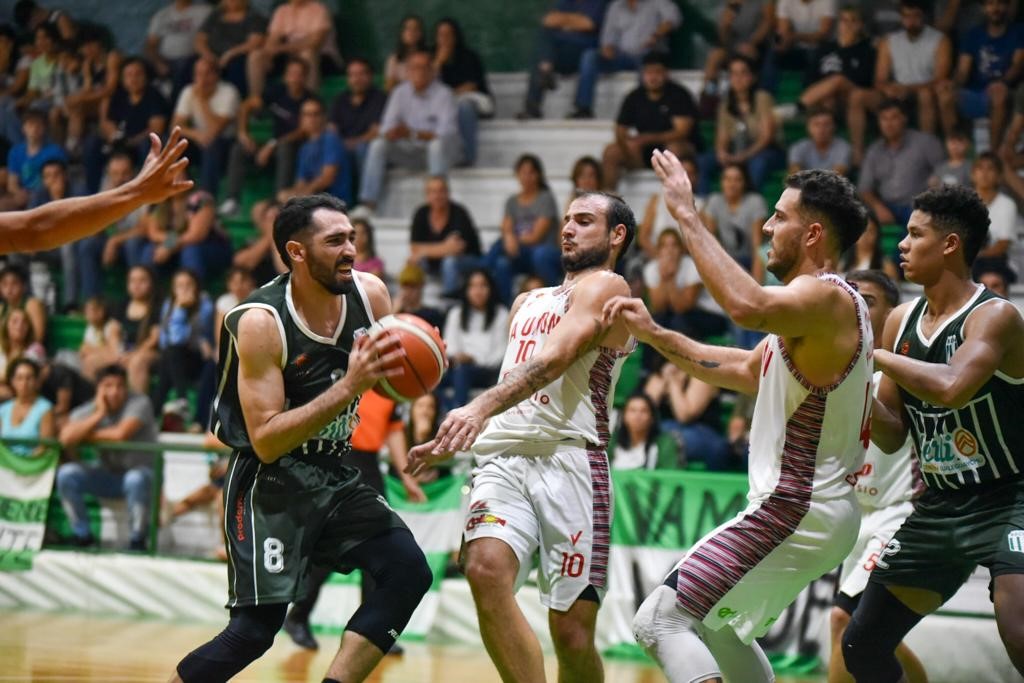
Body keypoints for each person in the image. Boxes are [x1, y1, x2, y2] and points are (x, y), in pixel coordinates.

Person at [604, 154, 871, 683]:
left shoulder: (824, 296)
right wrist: (657, 334)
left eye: (780, 217)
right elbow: (745, 368)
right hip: (816, 511)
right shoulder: (811, 312)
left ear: (813, 233)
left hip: (796, 505)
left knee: (660, 619)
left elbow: (745, 306)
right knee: (722, 629)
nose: (767, 226)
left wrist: (686, 215)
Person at [170, 194, 431, 683]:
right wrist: (350, 387)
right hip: (269, 481)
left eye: (351, 237)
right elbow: (266, 440)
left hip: (333, 469)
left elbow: (388, 381)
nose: (350, 249)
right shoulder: (261, 323)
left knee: (408, 570)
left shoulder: (371, 296)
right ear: (296, 251)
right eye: (335, 241)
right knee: (254, 631)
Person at [405, 188, 637, 683]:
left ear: (617, 235)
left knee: (572, 637)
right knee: (484, 570)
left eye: (585, 221)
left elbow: (555, 358)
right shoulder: (527, 300)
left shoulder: (608, 288)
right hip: (503, 459)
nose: (568, 228)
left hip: (572, 463)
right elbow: (518, 379)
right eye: (567, 220)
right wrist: (462, 431)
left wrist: (477, 405)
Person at [841, 186, 1024, 682]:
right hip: (941, 505)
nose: (902, 243)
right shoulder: (900, 321)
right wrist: (849, 387)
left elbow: (952, 388)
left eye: (915, 234)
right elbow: (894, 434)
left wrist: (867, 355)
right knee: (861, 645)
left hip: (1010, 497)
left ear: (950, 244)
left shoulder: (995, 316)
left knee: (1019, 631)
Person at [827, 269, 926, 683]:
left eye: (868, 300)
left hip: (897, 513)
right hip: (858, 515)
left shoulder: (905, 370)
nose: (859, 308)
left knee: (841, 622)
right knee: (871, 637)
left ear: (894, 314)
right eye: (853, 299)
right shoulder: (835, 372)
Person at [282, 389, 427, 651]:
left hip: (370, 467)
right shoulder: (345, 374)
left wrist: (406, 476)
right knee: (328, 551)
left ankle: (373, 628)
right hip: (338, 461)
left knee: (382, 548)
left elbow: (393, 431)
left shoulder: (390, 387)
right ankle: (298, 616)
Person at [56, 363, 159, 550]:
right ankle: (83, 536)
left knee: (135, 479)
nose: (115, 391)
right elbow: (66, 437)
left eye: (120, 386)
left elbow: (120, 435)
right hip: (107, 475)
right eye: (108, 386)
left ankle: (138, 540)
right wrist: (99, 414)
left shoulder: (140, 402)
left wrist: (85, 435)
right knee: (66, 474)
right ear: (98, 389)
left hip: (143, 476)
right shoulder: (93, 408)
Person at [847, 0, 951, 166]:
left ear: (923, 16)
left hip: (924, 93)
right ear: (901, 18)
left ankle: (926, 150)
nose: (911, 20)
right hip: (895, 95)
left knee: (926, 95)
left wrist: (908, 89)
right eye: (906, 16)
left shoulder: (940, 40)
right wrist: (888, 89)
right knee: (858, 96)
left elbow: (940, 79)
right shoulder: (889, 41)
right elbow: (879, 80)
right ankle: (858, 153)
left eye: (915, 16)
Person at [357, 50, 462, 213]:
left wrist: (411, 133)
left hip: (444, 154)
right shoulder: (400, 92)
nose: (419, 72)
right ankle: (368, 204)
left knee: (436, 145)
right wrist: (392, 133)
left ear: (432, 71)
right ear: (407, 71)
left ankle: (435, 204)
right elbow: (386, 127)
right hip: (412, 152)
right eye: (414, 68)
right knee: (378, 144)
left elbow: (445, 133)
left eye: (424, 67)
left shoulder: (444, 94)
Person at [220, 56, 312, 216]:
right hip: (272, 145)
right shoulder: (276, 92)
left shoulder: (309, 100)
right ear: (286, 76)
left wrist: (272, 144)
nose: (295, 78)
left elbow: (303, 130)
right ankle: (232, 200)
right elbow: (246, 106)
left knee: (285, 148)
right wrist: (243, 133)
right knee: (239, 148)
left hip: (296, 147)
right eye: (292, 73)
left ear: (305, 77)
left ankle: (279, 202)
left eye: (299, 74)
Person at [601, 51, 699, 190]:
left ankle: (675, 197)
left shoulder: (679, 95)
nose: (653, 77)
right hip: (643, 152)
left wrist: (647, 138)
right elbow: (620, 129)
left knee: (673, 149)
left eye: (657, 72)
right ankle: (608, 203)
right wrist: (627, 144)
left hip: (674, 149)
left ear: (666, 73)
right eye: (648, 72)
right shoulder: (634, 96)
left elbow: (682, 131)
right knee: (611, 152)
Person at [570, 0, 682, 119]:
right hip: (622, 56)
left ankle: (645, 109)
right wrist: (608, 47)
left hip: (648, 52)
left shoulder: (658, 2)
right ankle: (583, 108)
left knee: (649, 60)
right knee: (590, 56)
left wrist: (656, 35)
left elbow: (673, 19)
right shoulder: (616, 6)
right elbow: (608, 35)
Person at [937, 0, 1024, 152]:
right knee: (945, 94)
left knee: (998, 93)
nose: (995, 8)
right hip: (976, 92)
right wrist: (952, 84)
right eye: (990, 4)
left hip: (1006, 92)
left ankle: (992, 154)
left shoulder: (1019, 31)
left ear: (1007, 6)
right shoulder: (973, 34)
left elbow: (1017, 66)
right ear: (983, 8)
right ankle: (958, 151)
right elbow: (962, 71)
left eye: (999, 3)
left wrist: (1002, 82)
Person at [698, 55, 784, 196]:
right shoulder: (725, 104)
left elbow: (766, 138)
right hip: (736, 150)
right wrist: (722, 153)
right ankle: (702, 204)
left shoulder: (763, 98)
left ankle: (750, 204)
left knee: (758, 163)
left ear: (752, 77)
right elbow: (722, 138)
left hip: (767, 151)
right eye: (733, 73)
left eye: (743, 73)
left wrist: (742, 157)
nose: (738, 78)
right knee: (703, 162)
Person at [484, 154, 563, 305]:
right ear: (517, 175)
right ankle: (506, 308)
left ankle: (555, 302)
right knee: (501, 263)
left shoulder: (546, 198)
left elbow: (535, 237)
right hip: (520, 254)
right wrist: (508, 237)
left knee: (538, 253)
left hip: (542, 253)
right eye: (523, 172)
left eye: (531, 172)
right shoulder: (512, 201)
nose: (527, 177)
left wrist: (511, 238)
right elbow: (506, 229)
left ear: (538, 175)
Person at [83, 56, 169, 194]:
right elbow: (107, 122)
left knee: (147, 145)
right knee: (92, 143)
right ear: (123, 79)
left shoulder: (154, 96)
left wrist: (132, 141)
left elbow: (156, 128)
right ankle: (91, 192)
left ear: (145, 76)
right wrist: (114, 134)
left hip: (140, 144)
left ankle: (146, 191)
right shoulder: (119, 95)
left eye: (138, 74)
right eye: (129, 75)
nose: (133, 78)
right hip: (119, 143)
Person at [858, 99, 944, 232]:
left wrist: (931, 195)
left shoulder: (925, 142)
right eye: (884, 119)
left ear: (904, 119)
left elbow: (944, 172)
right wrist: (878, 207)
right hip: (886, 206)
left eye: (894, 118)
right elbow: (865, 188)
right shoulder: (874, 150)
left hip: (917, 206)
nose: (888, 124)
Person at [518, 0, 607, 120]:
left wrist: (563, 21)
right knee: (544, 41)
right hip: (566, 50)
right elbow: (548, 20)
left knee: (547, 45)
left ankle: (544, 75)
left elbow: (588, 23)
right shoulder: (566, 2)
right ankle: (534, 104)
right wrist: (574, 21)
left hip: (588, 49)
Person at [151, 269, 216, 427]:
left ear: (196, 287)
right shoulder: (169, 305)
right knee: (169, 354)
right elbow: (168, 340)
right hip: (177, 360)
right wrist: (179, 308)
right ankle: (174, 404)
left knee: (171, 353)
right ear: (173, 289)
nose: (184, 289)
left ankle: (160, 410)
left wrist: (179, 310)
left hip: (200, 361)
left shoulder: (205, 305)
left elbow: (183, 338)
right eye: (179, 285)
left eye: (189, 285)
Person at [644, 361, 733, 470]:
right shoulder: (659, 375)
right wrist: (660, 387)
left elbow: (685, 416)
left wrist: (673, 383)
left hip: (701, 431)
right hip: (666, 427)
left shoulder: (702, 374)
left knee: (669, 440)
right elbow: (643, 413)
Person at [172, 56, 241, 196]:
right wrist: (196, 135)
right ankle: (176, 188)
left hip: (225, 145)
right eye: (198, 74)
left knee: (212, 144)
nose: (202, 79)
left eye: (207, 73)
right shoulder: (188, 91)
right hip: (199, 141)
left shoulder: (229, 92)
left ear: (217, 75)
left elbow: (215, 130)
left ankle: (206, 196)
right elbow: (176, 126)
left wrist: (202, 101)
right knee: (174, 141)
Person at [246, 0, 341, 101]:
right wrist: (269, 54)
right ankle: (257, 103)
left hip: (323, 58)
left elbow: (314, 42)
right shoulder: (282, 11)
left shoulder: (319, 9)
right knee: (256, 56)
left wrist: (281, 48)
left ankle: (309, 103)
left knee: (307, 54)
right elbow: (272, 39)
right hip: (290, 56)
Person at [442, 269, 509, 410]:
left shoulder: (501, 314)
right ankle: (451, 410)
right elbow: (449, 346)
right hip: (460, 368)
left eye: (483, 285)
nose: (478, 291)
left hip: (489, 371)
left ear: (490, 289)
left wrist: (474, 360)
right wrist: (458, 356)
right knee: (430, 380)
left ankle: (458, 411)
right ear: (466, 290)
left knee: (463, 372)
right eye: (472, 286)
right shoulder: (456, 314)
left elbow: (501, 353)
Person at [408, 174, 482, 296]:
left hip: (468, 260)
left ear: (448, 193)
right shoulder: (421, 213)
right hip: (435, 262)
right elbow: (414, 249)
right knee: (413, 261)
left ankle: (449, 299)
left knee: (449, 262)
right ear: (427, 195)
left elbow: (456, 248)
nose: (437, 196)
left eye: (441, 191)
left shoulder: (459, 213)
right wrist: (443, 247)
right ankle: (416, 303)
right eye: (433, 191)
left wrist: (425, 250)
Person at [433, 17, 492, 167]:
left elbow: (471, 86)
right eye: (441, 35)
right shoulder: (432, 59)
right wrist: (438, 63)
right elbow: (429, 87)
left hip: (474, 103)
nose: (445, 39)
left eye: (448, 34)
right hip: (446, 104)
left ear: (456, 36)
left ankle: (468, 156)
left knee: (464, 107)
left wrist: (448, 94)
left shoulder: (468, 56)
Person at [328, 57, 387, 183]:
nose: (357, 79)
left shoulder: (380, 98)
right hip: (343, 146)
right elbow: (332, 129)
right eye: (353, 75)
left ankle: (364, 197)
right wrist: (339, 144)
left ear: (370, 76)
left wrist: (352, 143)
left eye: (361, 74)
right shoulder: (340, 99)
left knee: (362, 148)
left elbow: (376, 131)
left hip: (366, 146)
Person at [193, 0, 267, 97]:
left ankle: (236, 102)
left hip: (238, 56)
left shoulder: (254, 16)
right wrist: (207, 54)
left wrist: (230, 54)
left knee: (235, 66)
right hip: (211, 55)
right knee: (190, 64)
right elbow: (199, 39)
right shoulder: (215, 15)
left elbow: (255, 42)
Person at [145, 0, 213, 98]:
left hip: (192, 58)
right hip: (164, 60)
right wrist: (157, 63)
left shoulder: (205, 11)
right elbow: (150, 45)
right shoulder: (161, 15)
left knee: (182, 66)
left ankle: (176, 107)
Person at [971, 151, 1021, 280]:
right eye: (980, 168)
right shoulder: (963, 202)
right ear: (973, 174)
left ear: (999, 176)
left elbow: (1002, 245)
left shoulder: (1007, 204)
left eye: (990, 168)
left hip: (998, 262)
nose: (984, 173)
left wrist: (975, 255)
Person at [608, 392, 679, 470]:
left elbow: (669, 476)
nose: (637, 416)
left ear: (652, 418)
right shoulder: (612, 441)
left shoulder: (664, 443)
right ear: (624, 416)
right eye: (632, 410)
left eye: (644, 411)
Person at [0, 357, 54, 457]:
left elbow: (44, 447)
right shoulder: (3, 410)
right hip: (5, 465)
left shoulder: (45, 409)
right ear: (12, 381)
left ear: (37, 381)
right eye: (19, 378)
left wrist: (22, 464)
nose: (24, 383)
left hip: (32, 465)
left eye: (29, 378)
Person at [787, 107, 852, 176]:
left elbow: (836, 176)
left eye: (826, 124)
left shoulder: (843, 147)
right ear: (808, 127)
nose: (821, 129)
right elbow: (794, 174)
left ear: (834, 127)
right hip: (806, 186)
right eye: (816, 124)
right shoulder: (798, 147)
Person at [383, 14, 427, 92]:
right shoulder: (394, 59)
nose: (411, 32)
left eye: (415, 29)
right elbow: (389, 88)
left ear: (420, 33)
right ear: (402, 33)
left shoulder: (427, 57)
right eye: (408, 29)